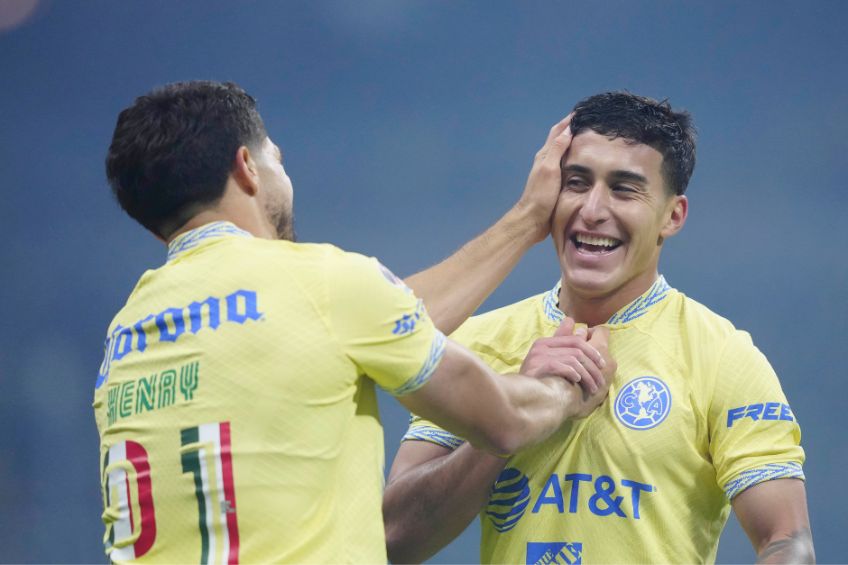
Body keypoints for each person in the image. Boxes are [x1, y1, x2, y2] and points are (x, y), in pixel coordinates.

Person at [92, 80, 615, 563]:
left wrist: (526, 220)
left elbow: (379, 324)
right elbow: (503, 419)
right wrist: (566, 388)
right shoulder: (320, 281)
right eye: (278, 160)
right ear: (247, 167)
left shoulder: (127, 335)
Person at [384, 92, 814, 564]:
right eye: (576, 182)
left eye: (624, 189)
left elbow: (786, 541)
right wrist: (510, 414)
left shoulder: (723, 357)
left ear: (673, 216)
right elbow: (393, 537)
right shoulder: (480, 342)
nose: (592, 209)